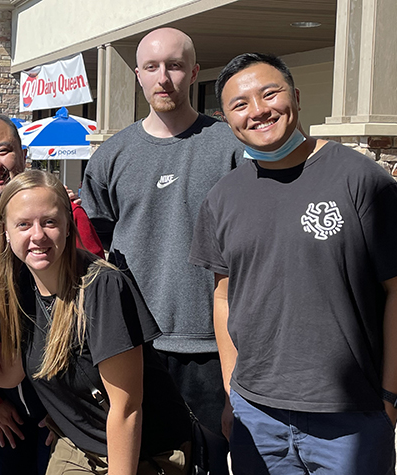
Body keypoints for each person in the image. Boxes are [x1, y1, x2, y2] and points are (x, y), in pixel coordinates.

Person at [189, 53, 397, 474]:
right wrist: (234, 395)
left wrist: (390, 401)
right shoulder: (223, 197)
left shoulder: (360, 179)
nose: (258, 111)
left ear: (296, 97)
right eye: (240, 104)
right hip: (257, 415)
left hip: (350, 414)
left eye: (270, 93)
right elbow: (224, 296)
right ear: (226, 118)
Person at [80, 27, 243, 468]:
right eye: (152, 67)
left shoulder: (230, 147)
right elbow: (95, 256)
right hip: (134, 345)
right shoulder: (110, 157)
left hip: (212, 346)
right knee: (150, 463)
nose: (163, 77)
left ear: (193, 72)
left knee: (216, 463)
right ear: (138, 75)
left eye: (173, 65)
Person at [0, 170, 193, 475]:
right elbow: (10, 373)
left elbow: (126, 409)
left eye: (49, 222)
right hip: (80, 446)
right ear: (5, 231)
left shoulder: (102, 286)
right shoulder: (19, 287)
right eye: (23, 224)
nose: (37, 235)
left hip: (142, 452)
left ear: (69, 227)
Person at [0, 114, 104, 475]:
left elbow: (94, 309)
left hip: (67, 399)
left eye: (4, 151)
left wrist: (70, 404)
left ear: (22, 156)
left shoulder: (65, 214)